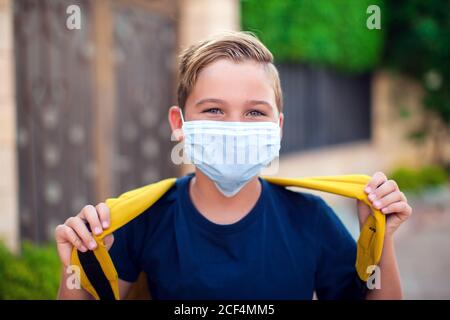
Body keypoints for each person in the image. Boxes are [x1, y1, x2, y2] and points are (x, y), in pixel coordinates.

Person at [55, 31, 412, 300]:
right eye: (214, 110)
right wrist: (74, 267)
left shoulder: (310, 218)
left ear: (279, 127)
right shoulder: (143, 219)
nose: (235, 128)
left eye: (255, 112)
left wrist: (382, 242)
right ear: (179, 124)